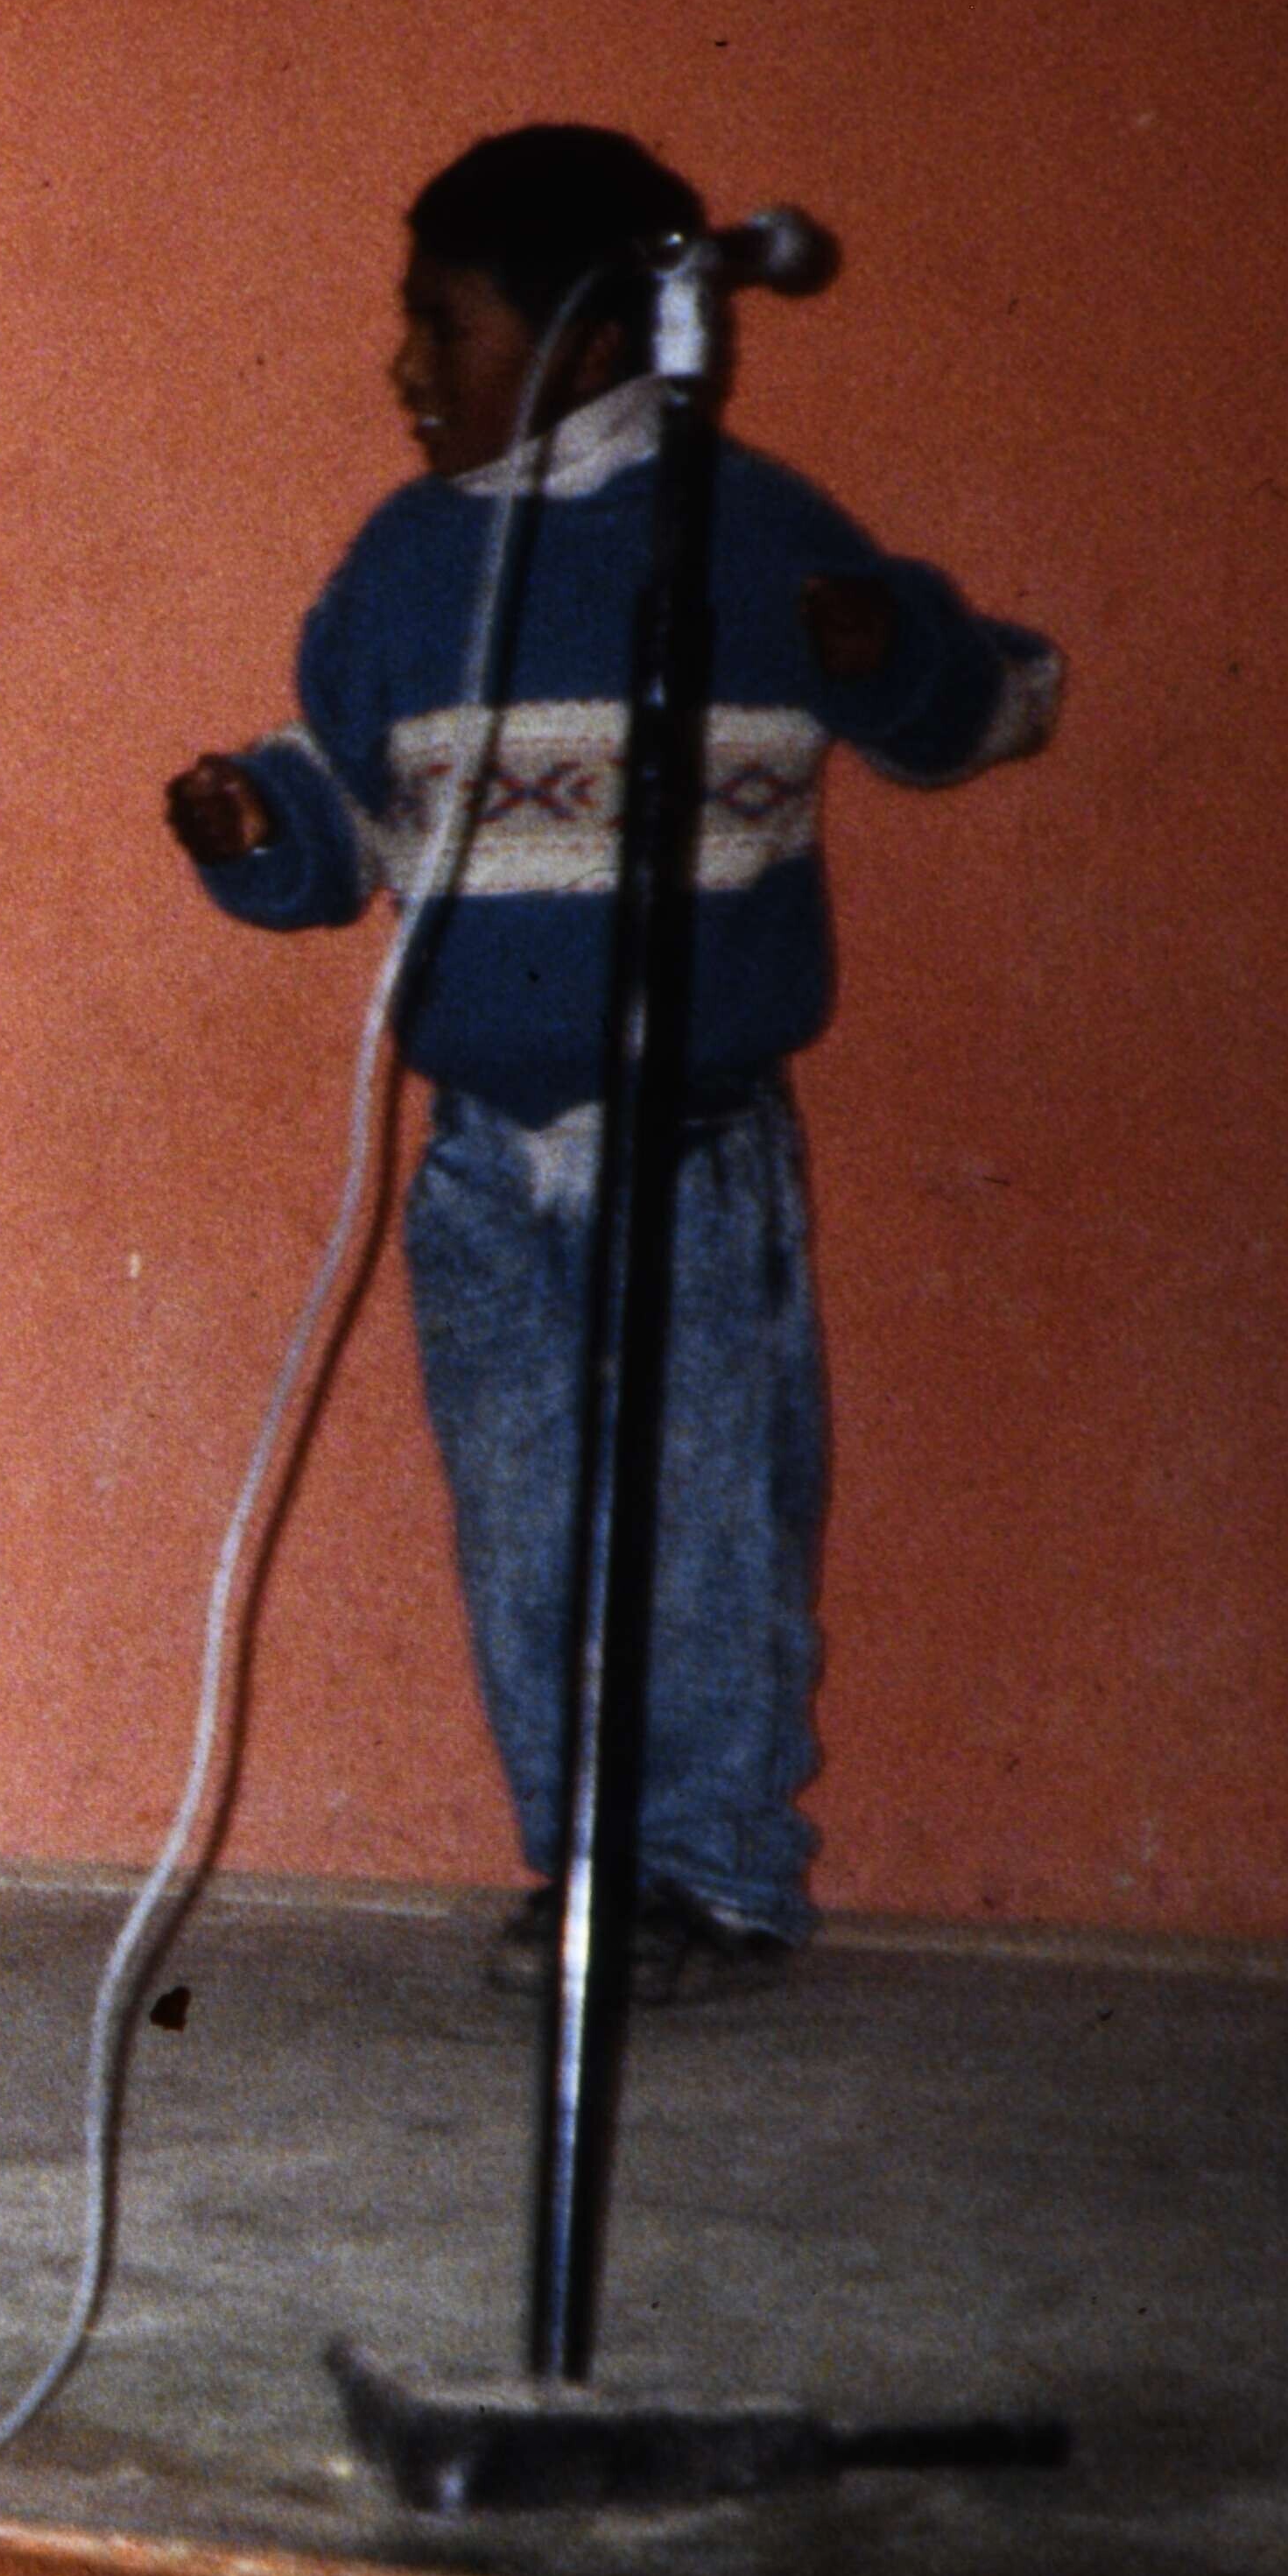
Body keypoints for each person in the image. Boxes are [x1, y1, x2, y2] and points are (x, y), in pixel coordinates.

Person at [164, 123, 1057, 2002]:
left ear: (584, 340)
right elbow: (351, 803)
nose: (403, 364)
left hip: (687, 1147)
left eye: (442, 323)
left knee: (703, 1524)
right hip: (480, 1158)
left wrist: (890, 647)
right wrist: (256, 825)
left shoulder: (752, 528)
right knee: (522, 1526)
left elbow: (989, 704)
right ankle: (583, 1866)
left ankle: (714, 1876)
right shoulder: (405, 565)